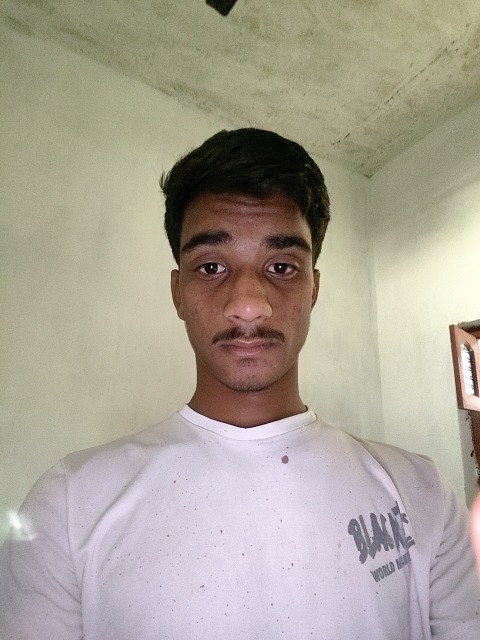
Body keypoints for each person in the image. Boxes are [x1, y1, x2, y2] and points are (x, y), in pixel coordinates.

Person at [1, 128, 479, 639]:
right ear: (178, 292)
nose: (248, 305)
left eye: (281, 266)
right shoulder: (68, 505)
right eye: (211, 267)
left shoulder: (422, 492)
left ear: (313, 288)